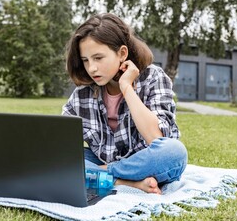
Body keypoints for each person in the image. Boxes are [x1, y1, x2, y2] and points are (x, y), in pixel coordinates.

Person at [62, 13, 187, 194]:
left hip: (146, 163)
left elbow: (156, 138)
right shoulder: (82, 94)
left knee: (174, 152)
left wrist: (126, 87)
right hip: (103, 161)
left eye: (98, 58)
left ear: (122, 53)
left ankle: (103, 176)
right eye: (85, 60)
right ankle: (127, 183)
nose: (91, 68)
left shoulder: (154, 77)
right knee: (59, 160)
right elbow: (62, 146)